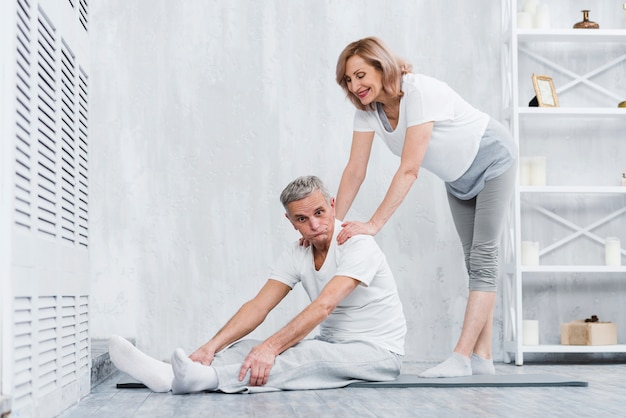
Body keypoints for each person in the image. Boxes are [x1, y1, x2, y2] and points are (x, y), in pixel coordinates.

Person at [109, 175, 406, 394]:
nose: (314, 226)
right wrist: (211, 347)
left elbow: (324, 306)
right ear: (291, 222)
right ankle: (177, 373)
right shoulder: (298, 251)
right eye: (303, 219)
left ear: (332, 205)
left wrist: (271, 347)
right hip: (331, 345)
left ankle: (208, 380)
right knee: (248, 347)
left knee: (304, 356)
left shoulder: (358, 244)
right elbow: (258, 306)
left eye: (319, 213)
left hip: (377, 353)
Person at [334, 37, 517, 378]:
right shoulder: (368, 111)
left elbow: (409, 168)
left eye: (360, 75)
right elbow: (355, 170)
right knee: (475, 263)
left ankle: (462, 358)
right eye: (348, 80)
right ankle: (484, 358)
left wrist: (373, 224)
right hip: (458, 179)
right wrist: (333, 227)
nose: (355, 85)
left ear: (381, 66)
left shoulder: (418, 92)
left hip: (493, 159)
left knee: (483, 259)